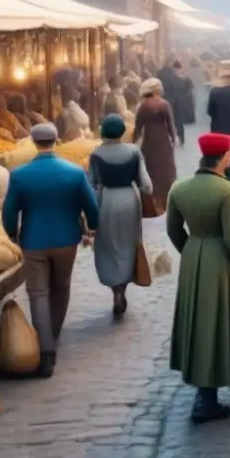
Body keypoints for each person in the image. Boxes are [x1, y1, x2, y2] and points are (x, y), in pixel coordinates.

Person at [167, 132, 230, 423]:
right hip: (222, 261)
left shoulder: (179, 188)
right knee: (220, 322)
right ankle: (206, 399)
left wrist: (190, 252)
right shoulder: (228, 191)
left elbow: (174, 231)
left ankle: (204, 393)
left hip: (194, 256)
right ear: (224, 156)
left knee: (199, 323)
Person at [2, 122, 99, 378]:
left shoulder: (19, 175)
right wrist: (93, 228)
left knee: (38, 293)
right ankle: (53, 334)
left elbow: (9, 211)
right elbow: (91, 205)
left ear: (34, 142)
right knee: (61, 286)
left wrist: (12, 232)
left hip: (33, 241)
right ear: (56, 140)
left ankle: (46, 351)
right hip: (67, 239)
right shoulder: (75, 172)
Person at [89, 115, 153, 319]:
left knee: (108, 244)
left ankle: (115, 288)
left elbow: (91, 184)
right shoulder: (134, 152)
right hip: (129, 199)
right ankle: (122, 289)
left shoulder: (96, 155)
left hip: (106, 199)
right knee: (128, 243)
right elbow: (147, 186)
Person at [132, 78, 177, 215]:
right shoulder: (164, 105)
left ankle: (152, 199)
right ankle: (167, 198)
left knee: (151, 167)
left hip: (149, 141)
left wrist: (134, 142)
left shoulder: (143, 106)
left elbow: (138, 127)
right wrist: (173, 141)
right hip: (163, 140)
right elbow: (170, 126)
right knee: (166, 168)